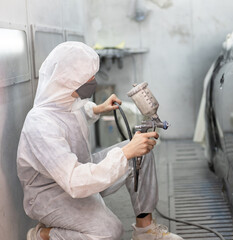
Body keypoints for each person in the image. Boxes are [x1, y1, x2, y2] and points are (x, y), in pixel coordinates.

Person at [17, 41, 183, 240]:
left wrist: (97, 109)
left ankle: (145, 231)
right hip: (50, 193)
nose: (93, 80)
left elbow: (75, 112)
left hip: (81, 170)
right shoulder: (40, 125)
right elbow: (74, 181)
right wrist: (125, 153)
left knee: (141, 155)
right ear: (68, 81)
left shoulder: (64, 101)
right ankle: (43, 235)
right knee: (108, 231)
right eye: (89, 77)